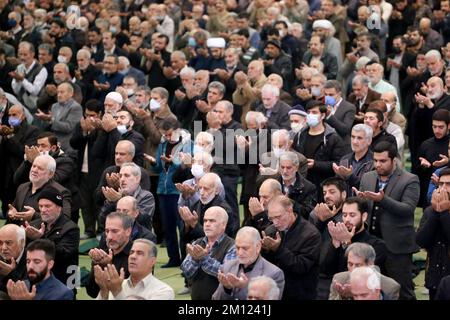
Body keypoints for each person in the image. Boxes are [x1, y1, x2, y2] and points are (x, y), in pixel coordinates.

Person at [354, 141, 420, 300]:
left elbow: (407, 208)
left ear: (394, 160)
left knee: (402, 291)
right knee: (370, 288)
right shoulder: (367, 177)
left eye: (383, 161)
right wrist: (360, 201)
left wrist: (383, 200)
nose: (378, 164)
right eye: (375, 160)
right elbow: (363, 209)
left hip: (396, 246)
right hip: (371, 243)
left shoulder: (409, 179)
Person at [262, 195, 321, 300]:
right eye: (271, 218)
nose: (275, 223)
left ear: (290, 210)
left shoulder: (311, 234)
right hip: (275, 291)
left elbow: (301, 267)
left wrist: (278, 249)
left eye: (278, 217)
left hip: (301, 293)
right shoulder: (270, 231)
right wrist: (265, 250)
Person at [24, 187, 79, 285]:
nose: (43, 210)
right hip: (36, 278)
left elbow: (63, 255)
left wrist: (40, 238)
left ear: (59, 207)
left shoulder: (71, 228)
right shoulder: (34, 225)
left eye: (47, 206)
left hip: (64, 279)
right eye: (40, 206)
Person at [212, 226, 284, 300]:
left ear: (258, 247)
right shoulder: (227, 266)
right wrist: (227, 289)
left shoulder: (274, 273)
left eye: (245, 248)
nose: (240, 253)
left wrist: (244, 287)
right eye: (237, 248)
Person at [181, 206, 236, 300]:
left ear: (223, 225)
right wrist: (195, 259)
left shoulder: (232, 246)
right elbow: (186, 272)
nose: (207, 224)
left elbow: (226, 273)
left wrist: (204, 258)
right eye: (205, 221)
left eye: (212, 221)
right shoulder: (196, 243)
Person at [94, 239, 174, 300]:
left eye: (140, 253)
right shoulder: (117, 284)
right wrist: (103, 291)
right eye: (131, 252)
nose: (133, 256)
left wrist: (117, 292)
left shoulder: (163, 291)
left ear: (152, 261)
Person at [7, 155, 71, 224]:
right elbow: (13, 211)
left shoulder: (60, 192)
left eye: (40, 168)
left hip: (45, 234)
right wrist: (11, 213)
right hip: (20, 232)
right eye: (34, 166)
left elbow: (64, 218)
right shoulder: (23, 187)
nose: (34, 170)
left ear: (51, 174)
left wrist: (34, 216)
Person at [416, 168, 450, 299]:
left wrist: (445, 213)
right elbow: (420, 241)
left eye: (448, 184)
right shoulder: (430, 211)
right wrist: (436, 213)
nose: (443, 188)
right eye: (441, 184)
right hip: (434, 278)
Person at [86, 212, 133, 298]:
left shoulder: (136, 256)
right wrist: (98, 264)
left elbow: (130, 294)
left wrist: (108, 266)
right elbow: (92, 292)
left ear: (128, 231)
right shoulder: (102, 255)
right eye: (107, 231)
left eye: (115, 231)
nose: (109, 237)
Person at [6, 239, 73, 300]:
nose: (30, 266)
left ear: (50, 264)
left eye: (37, 262)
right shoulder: (23, 286)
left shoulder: (63, 294)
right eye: (28, 261)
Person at [330, 243, 400, 300]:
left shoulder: (389, 287)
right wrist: (343, 297)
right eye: (350, 264)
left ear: (370, 264)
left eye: (358, 265)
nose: (353, 269)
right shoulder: (339, 280)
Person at [333, 124, 374, 195]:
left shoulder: (374, 161)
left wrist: (349, 176)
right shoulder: (345, 159)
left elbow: (367, 187)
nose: (355, 141)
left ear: (369, 141)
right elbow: (339, 186)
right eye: (353, 137)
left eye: (359, 138)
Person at [0, 224, 27, 293]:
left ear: (22, 242)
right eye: (0, 243)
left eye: (8, 243)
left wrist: (9, 274)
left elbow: (26, 292)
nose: (3, 248)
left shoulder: (33, 261)